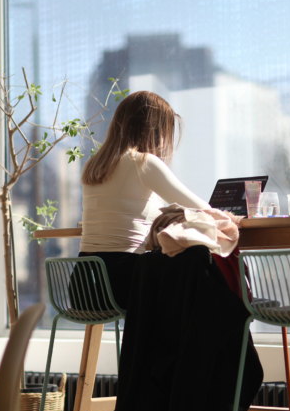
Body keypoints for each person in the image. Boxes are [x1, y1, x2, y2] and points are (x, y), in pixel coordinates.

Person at [77, 90, 210, 309]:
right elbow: (202, 209)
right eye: (165, 131)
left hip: (83, 287)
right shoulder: (143, 162)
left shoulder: (94, 165)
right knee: (199, 267)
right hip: (121, 285)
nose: (166, 140)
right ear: (153, 130)